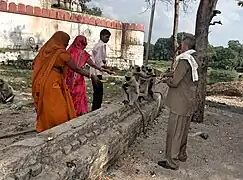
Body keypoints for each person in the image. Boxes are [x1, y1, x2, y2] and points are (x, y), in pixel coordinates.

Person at [32, 31, 100, 133]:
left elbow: (35, 63)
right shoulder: (61, 53)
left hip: (44, 80)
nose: (67, 44)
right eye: (66, 41)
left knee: (48, 105)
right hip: (53, 82)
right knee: (58, 105)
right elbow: (76, 68)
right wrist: (91, 75)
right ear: (61, 40)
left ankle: (47, 125)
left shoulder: (45, 50)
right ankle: (57, 127)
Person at [158, 35, 198, 170]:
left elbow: (175, 82)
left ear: (185, 46)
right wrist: (168, 74)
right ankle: (181, 155)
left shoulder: (184, 60)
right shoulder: (194, 59)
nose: (180, 47)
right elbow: (183, 76)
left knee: (174, 132)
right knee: (183, 131)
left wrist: (165, 81)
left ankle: (172, 162)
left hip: (179, 103)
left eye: (181, 44)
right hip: (188, 102)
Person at [66, 35, 112, 116]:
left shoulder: (68, 51)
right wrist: (103, 69)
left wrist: (104, 69)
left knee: (68, 95)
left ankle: (68, 112)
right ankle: (77, 113)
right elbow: (93, 64)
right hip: (79, 76)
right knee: (79, 95)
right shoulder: (83, 53)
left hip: (67, 77)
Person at [90, 29, 112, 111]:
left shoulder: (99, 45)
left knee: (98, 92)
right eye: (107, 37)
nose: (108, 39)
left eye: (109, 38)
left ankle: (95, 109)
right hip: (96, 72)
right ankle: (95, 110)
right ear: (102, 36)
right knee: (98, 93)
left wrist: (106, 67)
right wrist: (106, 69)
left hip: (97, 71)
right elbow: (98, 61)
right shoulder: (100, 46)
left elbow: (100, 61)